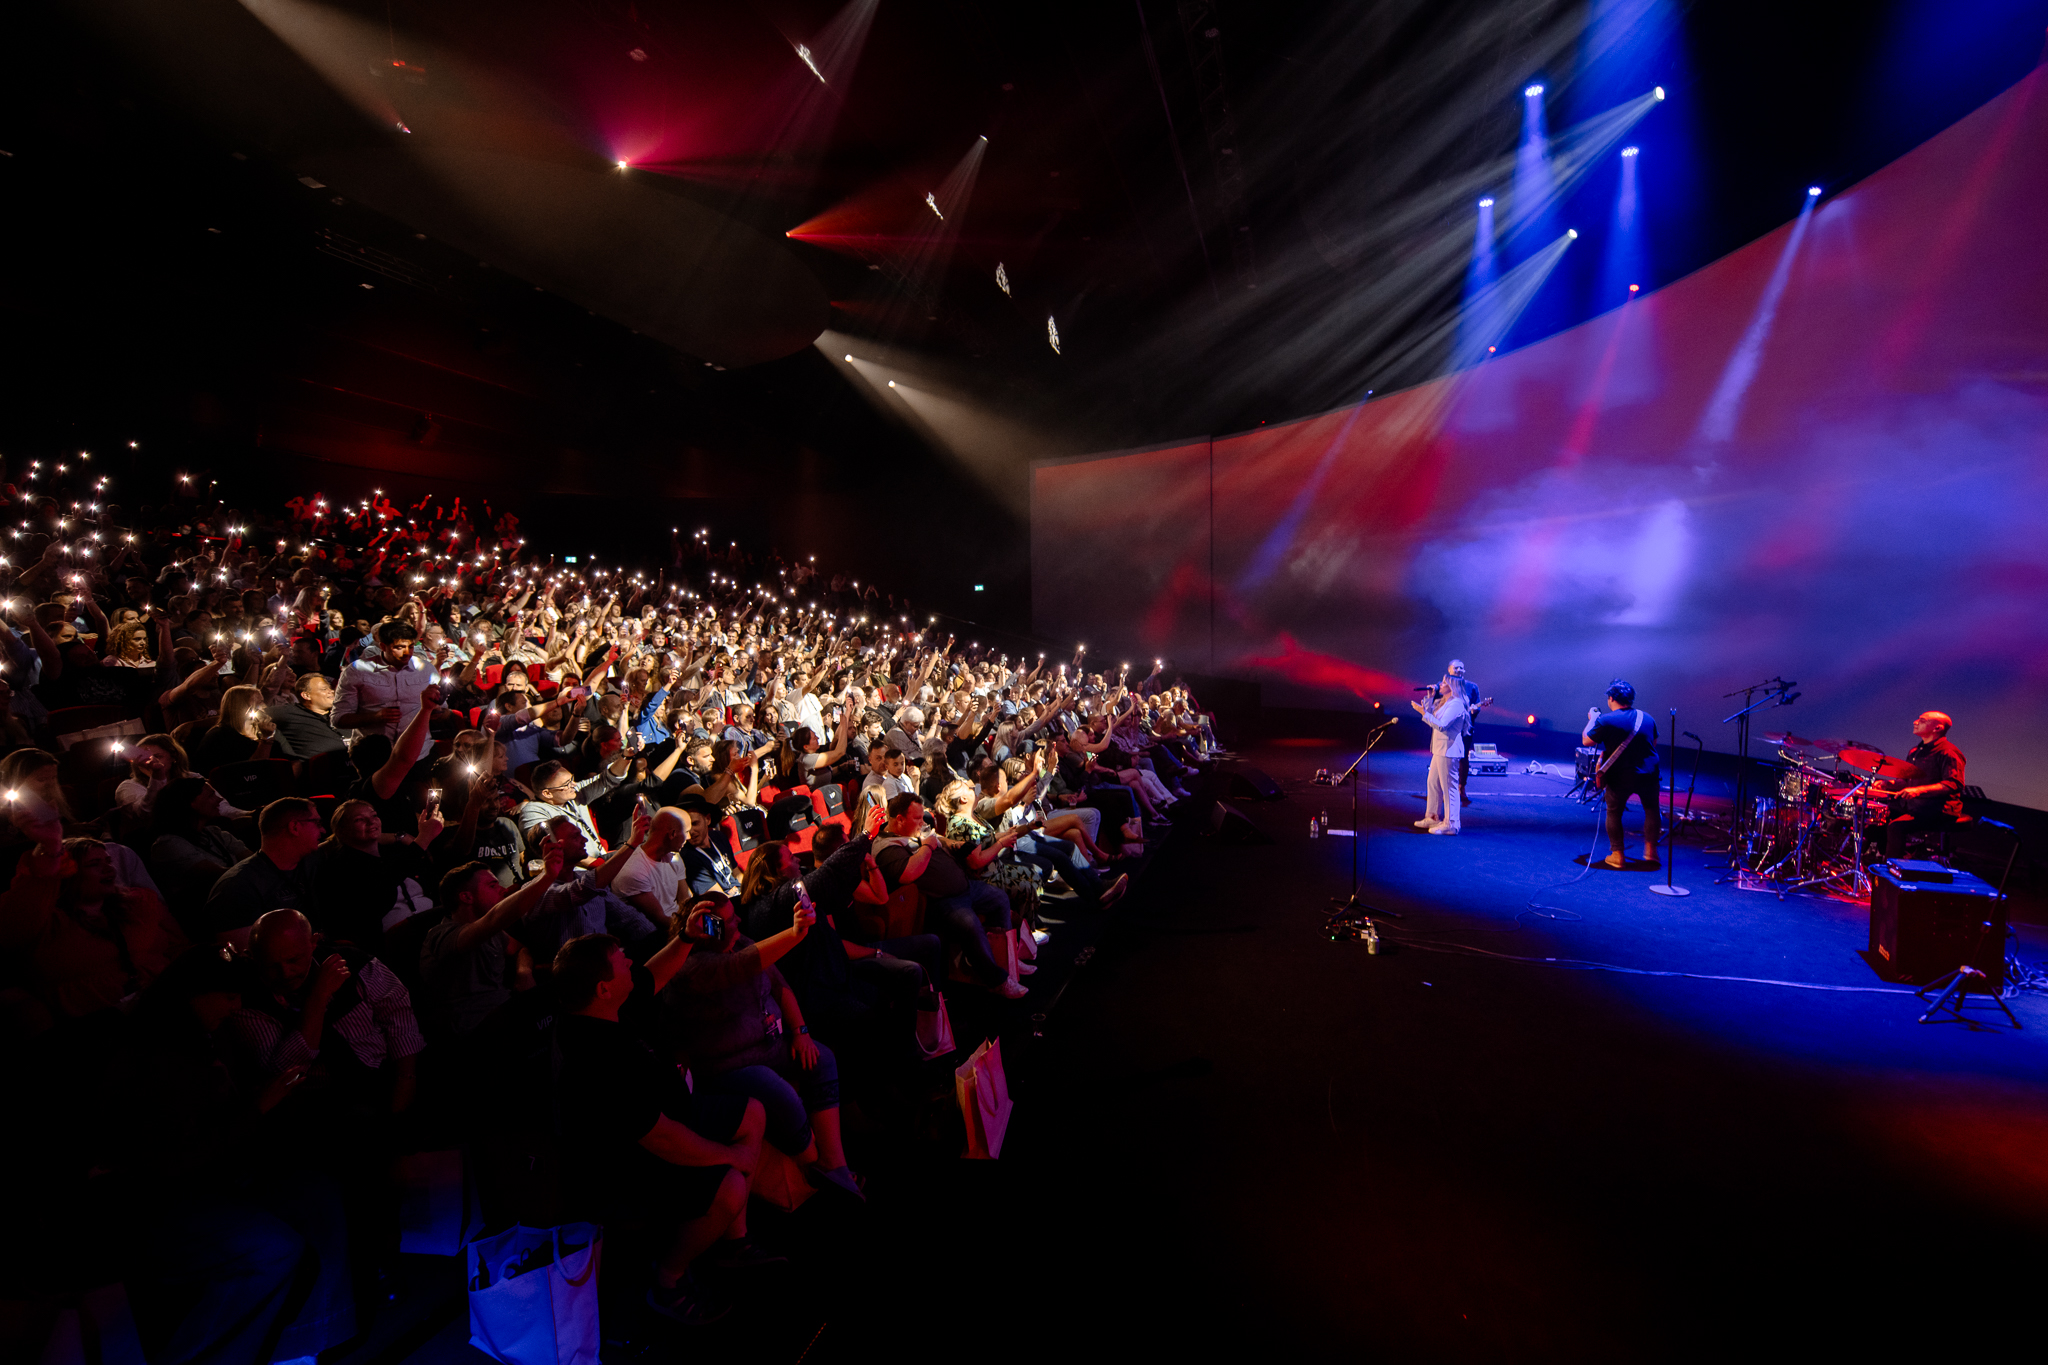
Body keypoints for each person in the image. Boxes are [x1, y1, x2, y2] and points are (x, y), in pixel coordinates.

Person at [550, 931, 769, 1327]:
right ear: (603, 988)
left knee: (752, 1114)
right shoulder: (596, 1060)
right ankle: (668, 1280)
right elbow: (661, 1137)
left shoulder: (598, 1008)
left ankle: (732, 1240)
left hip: (667, 1116)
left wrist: (686, 936)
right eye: (621, 960)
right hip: (624, 1164)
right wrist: (729, 1157)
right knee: (731, 1184)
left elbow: (652, 974)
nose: (631, 962)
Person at [661, 888, 864, 1199]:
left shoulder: (739, 942)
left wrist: (800, 1030)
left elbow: (780, 987)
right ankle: (815, 1165)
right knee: (776, 1090)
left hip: (771, 1045)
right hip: (728, 1064)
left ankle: (833, 1163)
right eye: (728, 920)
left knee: (822, 1058)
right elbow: (741, 967)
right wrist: (796, 932)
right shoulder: (692, 967)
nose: (739, 919)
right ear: (707, 930)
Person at [873, 792, 1028, 999]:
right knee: (969, 924)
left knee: (999, 899)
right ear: (899, 820)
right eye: (917, 818)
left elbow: (938, 838)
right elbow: (908, 872)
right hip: (940, 901)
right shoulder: (887, 847)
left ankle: (1007, 961)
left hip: (965, 887)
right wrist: (928, 845)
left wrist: (953, 844)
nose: (922, 822)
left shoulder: (913, 830)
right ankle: (996, 981)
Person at [203, 798, 324, 941]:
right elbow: (246, 955)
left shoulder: (312, 864)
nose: (323, 830)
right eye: (317, 823)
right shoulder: (237, 887)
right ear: (295, 827)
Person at [1583, 679, 1660, 869]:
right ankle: (1651, 852)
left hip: (1621, 776)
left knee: (1614, 812)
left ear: (1611, 699)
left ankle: (1617, 855)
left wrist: (1592, 718)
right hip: (1649, 773)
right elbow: (1654, 743)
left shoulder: (1606, 720)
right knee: (1651, 810)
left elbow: (1587, 741)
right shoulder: (1647, 718)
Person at [1881, 711, 1967, 858]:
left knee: (1896, 827)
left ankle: (1892, 871)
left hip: (1938, 810)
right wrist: (1889, 785)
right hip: (1915, 806)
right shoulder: (1915, 751)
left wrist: (1919, 790)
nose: (1915, 722)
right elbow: (1908, 780)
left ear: (1937, 728)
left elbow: (1954, 783)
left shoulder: (1949, 752)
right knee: (1879, 818)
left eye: (1922, 720)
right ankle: (1877, 859)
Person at [1412, 675, 1469, 835]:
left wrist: (1423, 712)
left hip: (1449, 750)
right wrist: (1429, 701)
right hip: (1440, 749)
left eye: (1444, 683)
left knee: (1449, 787)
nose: (1440, 685)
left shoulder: (1456, 704)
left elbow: (1442, 726)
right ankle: (1432, 816)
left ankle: (1451, 824)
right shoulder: (1446, 702)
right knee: (1432, 782)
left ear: (1452, 687)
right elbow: (1434, 718)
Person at [267, 671, 348, 761]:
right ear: (306, 695)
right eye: (324, 689)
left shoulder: (342, 713)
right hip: (319, 771)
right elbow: (255, 715)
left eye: (330, 688)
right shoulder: (288, 712)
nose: (331, 691)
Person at [1447, 659, 1489, 807]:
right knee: (1446, 757)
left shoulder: (1472, 687)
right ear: (1449, 670)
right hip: (1448, 728)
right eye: (1455, 668)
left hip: (1465, 728)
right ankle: (1445, 788)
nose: (1458, 670)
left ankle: (1461, 788)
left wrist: (1475, 710)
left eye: (1461, 668)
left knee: (1463, 758)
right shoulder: (1444, 686)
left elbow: (1477, 706)